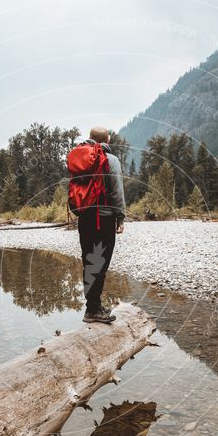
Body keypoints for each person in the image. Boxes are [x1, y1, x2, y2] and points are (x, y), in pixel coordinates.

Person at [77, 126, 126, 324]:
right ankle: (93, 310)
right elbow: (116, 191)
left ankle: (92, 307)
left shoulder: (80, 158)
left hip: (84, 219)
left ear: (90, 139)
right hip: (103, 219)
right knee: (101, 264)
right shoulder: (111, 160)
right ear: (107, 139)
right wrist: (120, 217)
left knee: (89, 261)